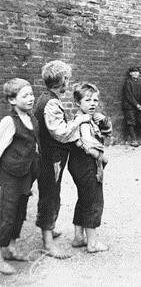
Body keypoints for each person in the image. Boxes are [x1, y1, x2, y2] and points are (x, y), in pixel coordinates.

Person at [34, 60, 91, 259]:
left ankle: (49, 229)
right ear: (63, 80)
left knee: (52, 193)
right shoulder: (50, 103)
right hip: (50, 158)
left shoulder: (47, 99)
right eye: (68, 78)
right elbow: (61, 133)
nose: (69, 82)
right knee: (50, 195)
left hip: (51, 157)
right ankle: (47, 243)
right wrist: (79, 121)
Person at [0, 78, 40, 275]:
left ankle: (11, 248)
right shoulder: (9, 121)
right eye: (25, 95)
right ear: (12, 100)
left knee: (19, 213)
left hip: (26, 174)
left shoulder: (32, 119)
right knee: (6, 215)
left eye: (31, 94)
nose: (31, 98)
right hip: (9, 175)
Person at [68, 82, 111, 253]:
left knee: (84, 198)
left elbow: (107, 132)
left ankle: (79, 237)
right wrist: (102, 157)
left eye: (95, 100)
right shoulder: (84, 123)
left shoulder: (89, 119)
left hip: (77, 165)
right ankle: (92, 243)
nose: (93, 103)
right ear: (78, 103)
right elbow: (88, 146)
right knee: (93, 201)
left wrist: (104, 121)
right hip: (86, 164)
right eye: (87, 100)